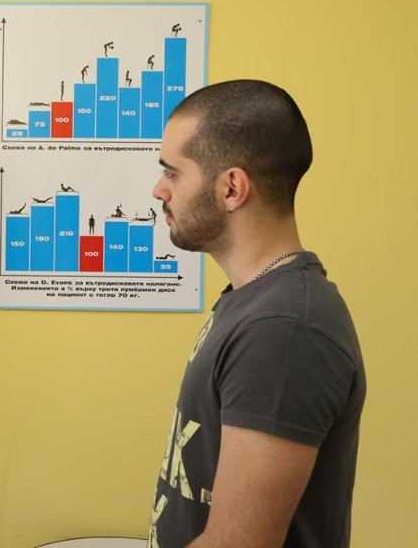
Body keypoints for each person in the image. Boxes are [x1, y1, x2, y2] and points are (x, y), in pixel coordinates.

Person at [149, 80, 366, 547]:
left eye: (172, 173)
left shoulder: (284, 330)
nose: (158, 189)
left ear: (231, 188)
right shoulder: (258, 302)